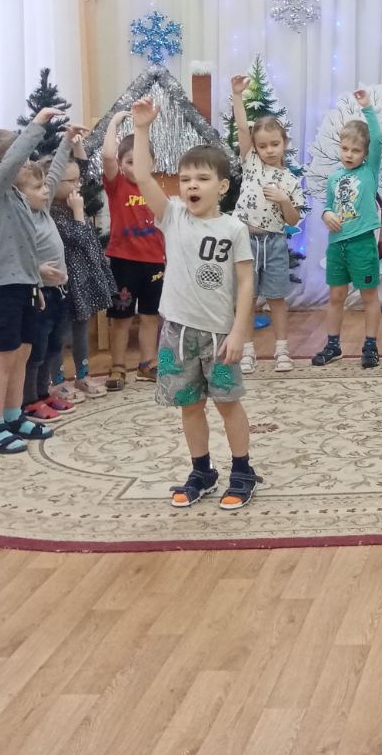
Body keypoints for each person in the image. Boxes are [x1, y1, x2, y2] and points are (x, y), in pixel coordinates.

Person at [128, 98, 260, 511]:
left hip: (219, 335)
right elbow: (143, 175)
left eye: (202, 178)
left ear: (222, 186)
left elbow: (245, 282)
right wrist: (142, 128)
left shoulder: (234, 229)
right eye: (185, 179)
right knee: (189, 405)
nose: (191, 186)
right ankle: (201, 470)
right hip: (177, 333)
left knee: (227, 404)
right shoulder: (172, 216)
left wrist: (239, 332)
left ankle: (243, 471)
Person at [0, 106, 72, 455]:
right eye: (20, 158)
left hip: (25, 287)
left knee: (22, 354)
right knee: (3, 357)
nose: (26, 163)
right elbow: (14, 161)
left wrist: (35, 281)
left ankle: (13, 416)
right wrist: (37, 125)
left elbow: (23, 247)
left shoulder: (20, 199)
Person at [230, 73, 305, 373]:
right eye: (263, 145)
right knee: (246, 299)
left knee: (276, 298)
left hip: (273, 242)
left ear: (284, 143)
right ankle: (247, 350)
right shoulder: (251, 163)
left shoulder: (290, 180)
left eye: (275, 144)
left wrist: (284, 200)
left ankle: (282, 350)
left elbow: (293, 219)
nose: (270, 150)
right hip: (245, 241)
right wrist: (237, 96)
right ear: (256, 148)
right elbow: (241, 128)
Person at [313, 88, 382, 368]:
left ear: (366, 153)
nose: (349, 154)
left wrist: (367, 107)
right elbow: (329, 206)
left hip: (361, 243)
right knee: (335, 296)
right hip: (336, 245)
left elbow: (378, 138)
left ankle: (370, 345)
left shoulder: (369, 171)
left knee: (369, 296)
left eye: (356, 150)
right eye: (345, 149)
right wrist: (326, 214)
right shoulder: (334, 178)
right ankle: (333, 345)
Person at [101, 111, 165, 390]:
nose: (135, 167)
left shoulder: (155, 189)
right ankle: (117, 366)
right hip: (124, 262)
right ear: (120, 164)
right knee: (121, 317)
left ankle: (147, 363)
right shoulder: (117, 185)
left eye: (141, 161)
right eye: (129, 161)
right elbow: (107, 156)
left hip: (155, 263)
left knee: (151, 316)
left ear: (153, 163)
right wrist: (114, 123)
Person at [49, 156, 117, 400]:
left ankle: (83, 375)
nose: (78, 184)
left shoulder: (72, 202)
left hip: (83, 280)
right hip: (65, 284)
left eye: (78, 179)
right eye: (71, 181)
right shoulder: (52, 213)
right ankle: (57, 381)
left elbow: (85, 169)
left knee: (82, 327)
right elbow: (76, 238)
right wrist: (79, 212)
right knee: (60, 332)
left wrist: (77, 144)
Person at [22, 147, 75, 422]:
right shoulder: (21, 219)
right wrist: (37, 270)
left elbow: (54, 174)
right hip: (40, 293)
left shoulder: (43, 210)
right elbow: (15, 257)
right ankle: (29, 400)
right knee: (37, 351)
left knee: (54, 346)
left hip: (59, 292)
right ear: (19, 195)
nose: (45, 191)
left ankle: (43, 394)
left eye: (45, 186)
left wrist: (67, 142)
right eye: (37, 187)